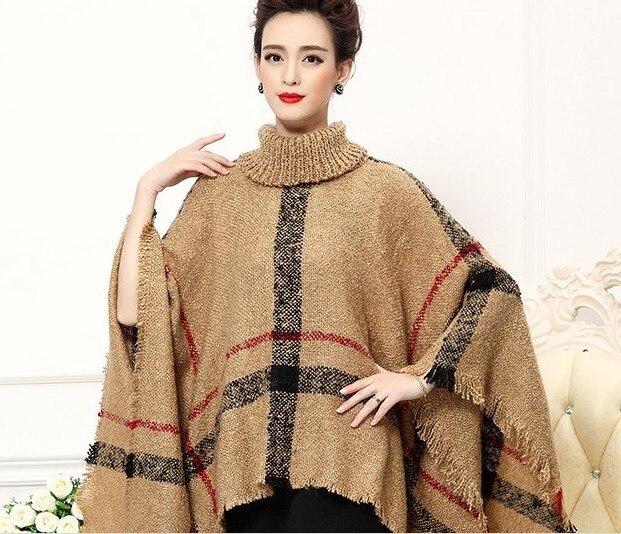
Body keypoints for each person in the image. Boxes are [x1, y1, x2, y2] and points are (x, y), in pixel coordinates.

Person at [75, 1, 576, 533]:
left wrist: (420, 380)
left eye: (311, 58)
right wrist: (146, 191)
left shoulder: (386, 192)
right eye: (275, 56)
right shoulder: (218, 197)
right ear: (256, 66)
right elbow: (137, 316)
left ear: (343, 69)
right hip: (242, 470)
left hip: (352, 464)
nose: (290, 76)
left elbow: (493, 291)